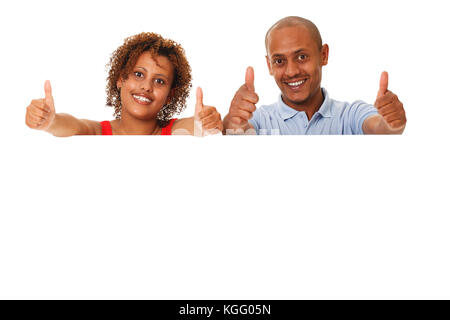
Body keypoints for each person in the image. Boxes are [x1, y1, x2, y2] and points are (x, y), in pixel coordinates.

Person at [223, 16, 407, 135]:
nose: (292, 71)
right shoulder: (260, 119)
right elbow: (237, 132)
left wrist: (391, 124)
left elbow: (379, 128)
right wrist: (233, 123)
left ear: (323, 55)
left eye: (301, 57)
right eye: (279, 61)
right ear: (269, 65)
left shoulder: (350, 115)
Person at [26, 32, 223, 136]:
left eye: (159, 81)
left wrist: (204, 123)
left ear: (170, 95)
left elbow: (192, 127)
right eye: (138, 74)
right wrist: (50, 121)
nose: (146, 86)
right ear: (120, 79)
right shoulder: (99, 132)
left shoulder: (172, 132)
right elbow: (74, 126)